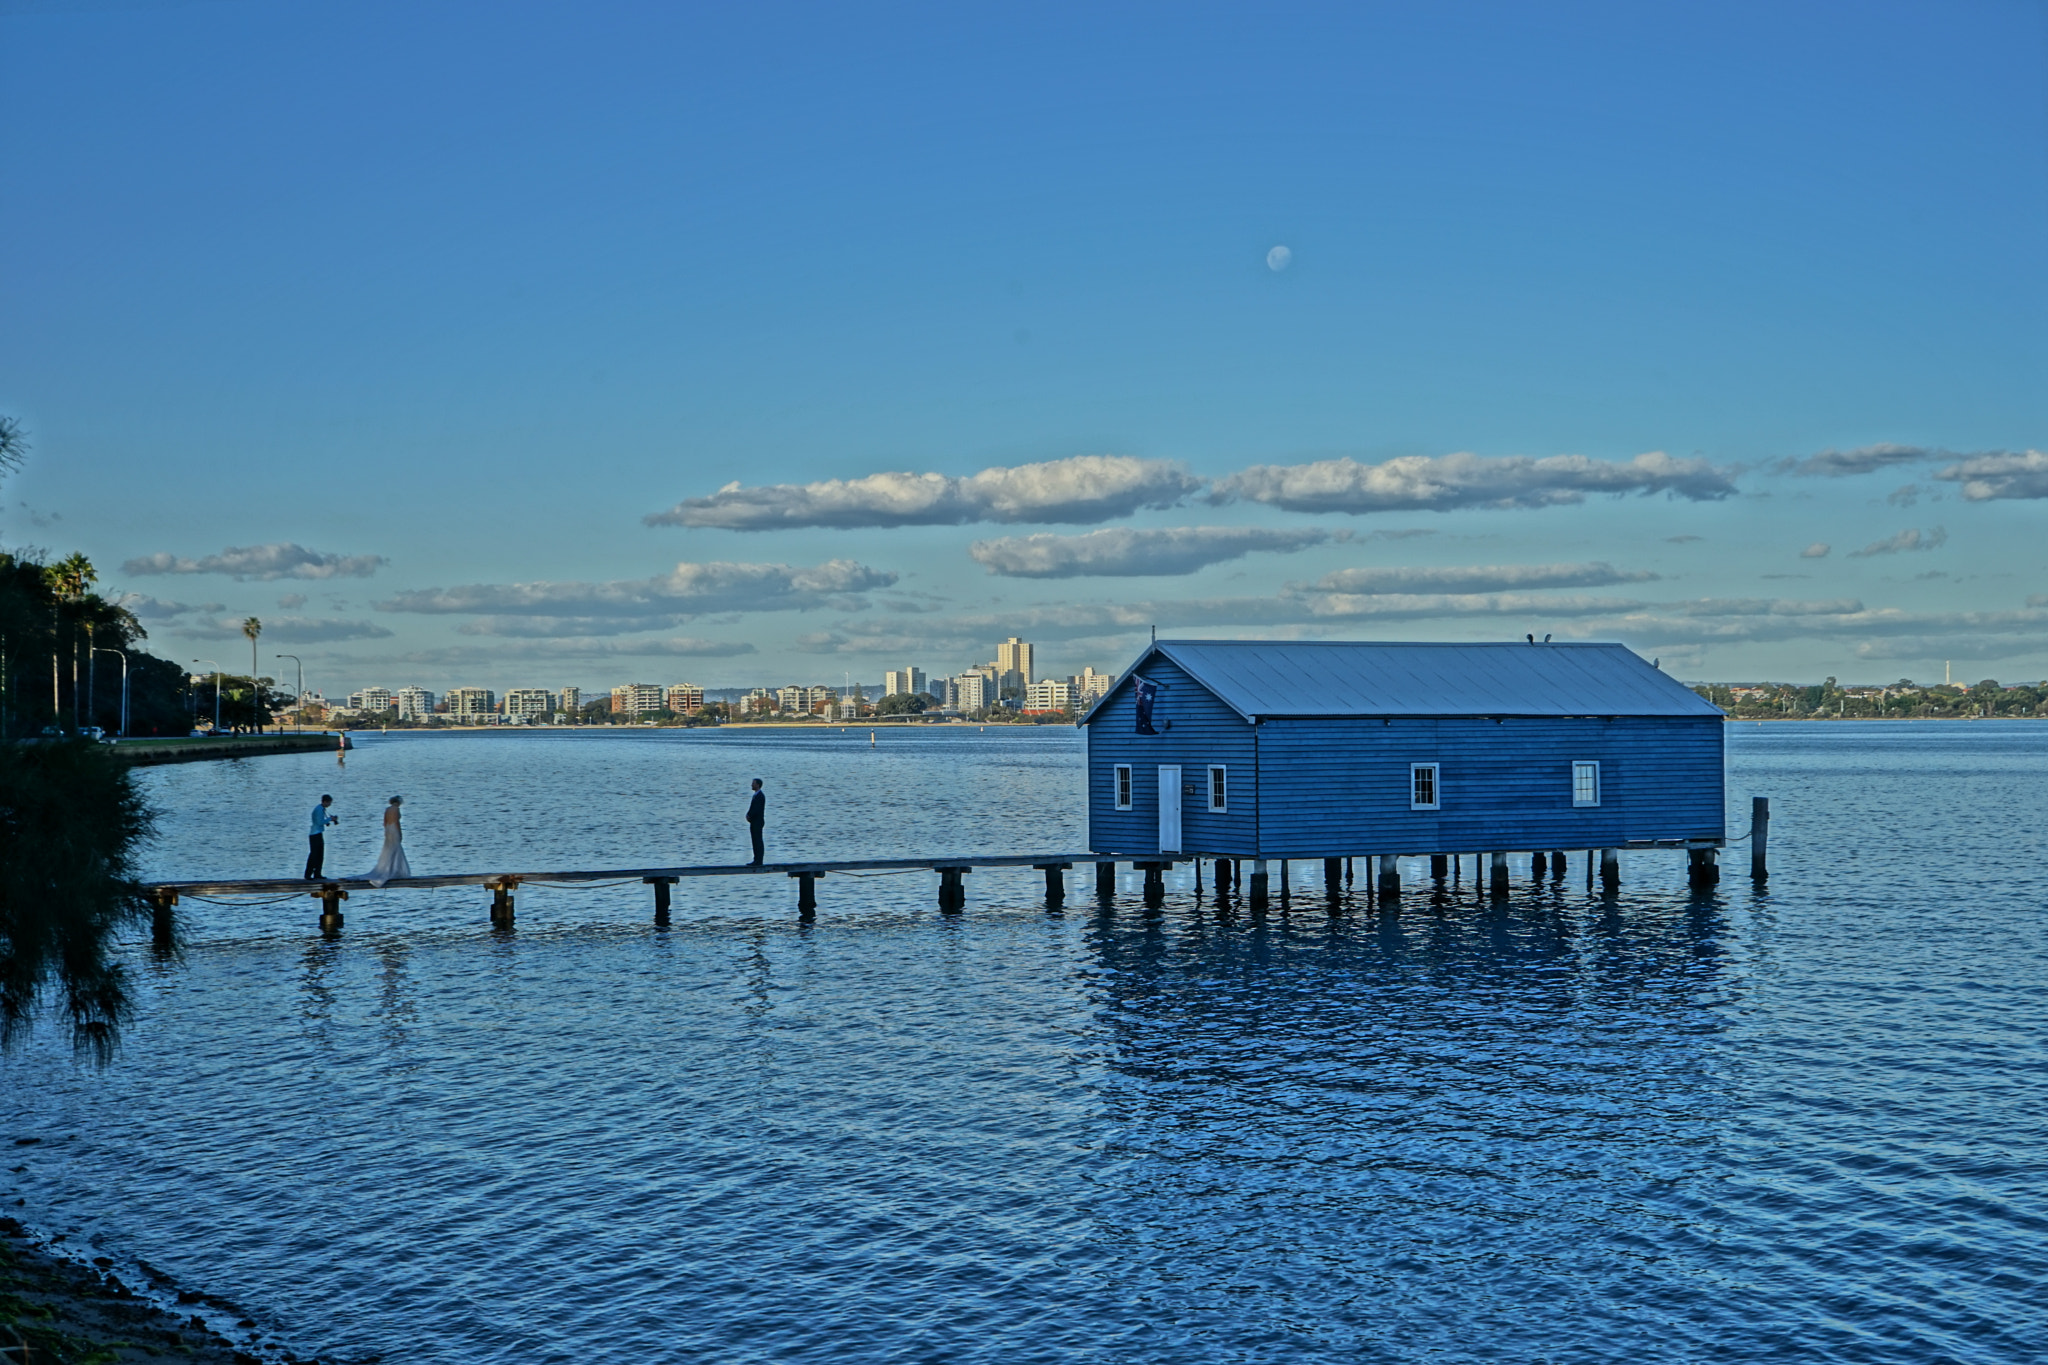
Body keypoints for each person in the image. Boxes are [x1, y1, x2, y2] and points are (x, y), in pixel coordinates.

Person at [366, 795, 411, 887]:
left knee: (389, 849)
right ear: (398, 802)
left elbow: (385, 822)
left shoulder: (387, 809)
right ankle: (394, 869)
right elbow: (397, 822)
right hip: (394, 829)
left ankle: (389, 868)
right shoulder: (396, 809)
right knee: (396, 849)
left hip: (388, 830)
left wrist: (386, 832)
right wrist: (400, 833)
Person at [305, 794, 337, 879]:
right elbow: (319, 822)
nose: (330, 804)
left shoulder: (321, 809)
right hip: (314, 835)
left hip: (318, 833)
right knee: (314, 855)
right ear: (325, 801)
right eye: (329, 803)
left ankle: (317, 874)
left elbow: (320, 821)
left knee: (320, 855)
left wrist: (327, 821)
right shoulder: (319, 809)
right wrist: (330, 819)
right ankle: (308, 875)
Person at [746, 778, 766, 866]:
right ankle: (756, 859)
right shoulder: (756, 795)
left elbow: (757, 809)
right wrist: (748, 814)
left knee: (758, 841)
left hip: (757, 822)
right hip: (754, 822)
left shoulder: (760, 796)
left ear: (758, 785)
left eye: (753, 783)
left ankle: (759, 860)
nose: (751, 785)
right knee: (755, 840)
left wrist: (750, 815)